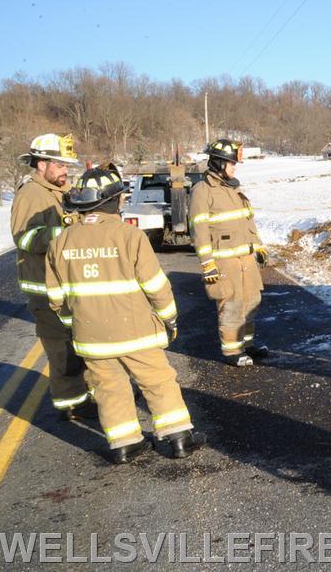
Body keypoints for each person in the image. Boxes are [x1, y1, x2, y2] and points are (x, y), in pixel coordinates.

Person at [45, 167, 206, 464]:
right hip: (137, 334)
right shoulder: (129, 236)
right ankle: (179, 439)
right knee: (158, 381)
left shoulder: (60, 242)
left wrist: (75, 326)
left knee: (108, 388)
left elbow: (56, 299)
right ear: (112, 201)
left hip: (91, 337)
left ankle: (124, 444)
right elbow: (156, 285)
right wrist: (168, 318)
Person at [10, 134, 95, 420]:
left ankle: (91, 392)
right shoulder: (31, 194)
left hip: (66, 287)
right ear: (41, 163)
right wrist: (67, 232)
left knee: (80, 343)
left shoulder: (59, 190)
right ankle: (71, 405)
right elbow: (25, 238)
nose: (64, 171)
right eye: (59, 165)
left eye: (66, 166)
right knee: (62, 351)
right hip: (44, 291)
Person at [188, 139, 269, 367]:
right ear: (219, 163)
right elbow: (199, 230)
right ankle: (232, 350)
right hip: (224, 261)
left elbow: (247, 222)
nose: (235, 167)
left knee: (252, 300)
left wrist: (258, 245)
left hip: (245, 258)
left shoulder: (233, 188)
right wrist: (207, 264)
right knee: (231, 304)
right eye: (232, 163)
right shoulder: (202, 191)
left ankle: (247, 345)